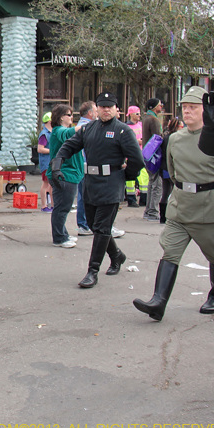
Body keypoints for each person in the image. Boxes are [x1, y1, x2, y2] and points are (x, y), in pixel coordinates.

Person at [133, 87, 214, 320]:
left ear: (206, 110)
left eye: (193, 107)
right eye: (184, 107)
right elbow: (172, 172)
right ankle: (158, 302)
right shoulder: (175, 139)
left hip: (208, 207)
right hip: (180, 206)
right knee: (170, 251)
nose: (187, 111)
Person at [52, 92, 143, 288]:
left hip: (112, 183)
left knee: (102, 228)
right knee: (95, 226)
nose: (106, 110)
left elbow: (137, 160)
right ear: (97, 109)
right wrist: (57, 163)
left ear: (117, 109)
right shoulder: (88, 129)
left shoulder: (123, 131)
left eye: (110, 106)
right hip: (91, 183)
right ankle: (116, 255)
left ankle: (92, 271)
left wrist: (125, 177)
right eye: (102, 106)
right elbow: (69, 146)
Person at [46, 104, 83, 248]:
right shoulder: (58, 131)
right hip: (64, 174)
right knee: (62, 208)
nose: (72, 117)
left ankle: (63, 234)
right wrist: (87, 127)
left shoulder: (63, 131)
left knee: (63, 207)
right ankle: (59, 238)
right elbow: (67, 134)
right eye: (69, 114)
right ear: (61, 117)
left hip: (69, 174)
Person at [76, 101, 97, 236]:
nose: (97, 113)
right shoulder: (87, 127)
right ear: (90, 113)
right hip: (86, 166)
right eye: (96, 110)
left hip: (83, 165)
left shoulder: (83, 126)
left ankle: (84, 224)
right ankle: (84, 224)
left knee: (83, 195)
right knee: (86, 196)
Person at [142, 98, 164, 221]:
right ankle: (153, 211)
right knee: (157, 184)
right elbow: (158, 138)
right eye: (160, 105)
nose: (161, 107)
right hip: (154, 155)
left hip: (147, 154)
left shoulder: (146, 118)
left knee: (152, 182)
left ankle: (148, 210)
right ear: (155, 107)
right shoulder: (154, 120)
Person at [158, 117, 183, 224]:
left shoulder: (166, 137)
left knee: (165, 192)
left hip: (164, 168)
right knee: (175, 192)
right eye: (181, 126)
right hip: (171, 168)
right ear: (177, 127)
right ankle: (173, 215)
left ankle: (163, 217)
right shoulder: (175, 138)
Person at [37, 112, 53, 212]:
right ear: (50, 121)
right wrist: (53, 151)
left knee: (51, 185)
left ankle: (51, 205)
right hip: (46, 163)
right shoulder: (44, 134)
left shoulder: (50, 133)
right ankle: (44, 206)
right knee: (46, 184)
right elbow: (40, 149)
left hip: (50, 162)